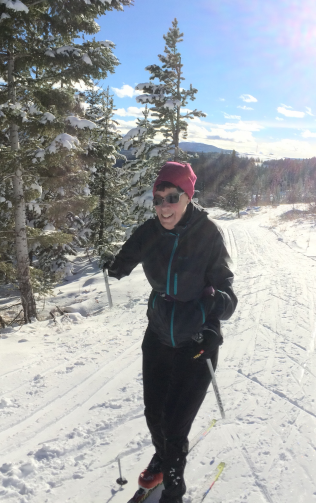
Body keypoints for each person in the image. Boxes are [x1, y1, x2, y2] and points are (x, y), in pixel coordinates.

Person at [103, 161, 237, 503]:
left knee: (175, 427)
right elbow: (128, 254)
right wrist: (117, 265)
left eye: (172, 197)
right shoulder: (150, 232)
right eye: (158, 198)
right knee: (155, 415)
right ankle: (163, 458)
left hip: (197, 340)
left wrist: (211, 321)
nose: (164, 206)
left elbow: (227, 293)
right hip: (160, 333)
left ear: (188, 197)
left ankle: (174, 492)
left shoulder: (208, 235)